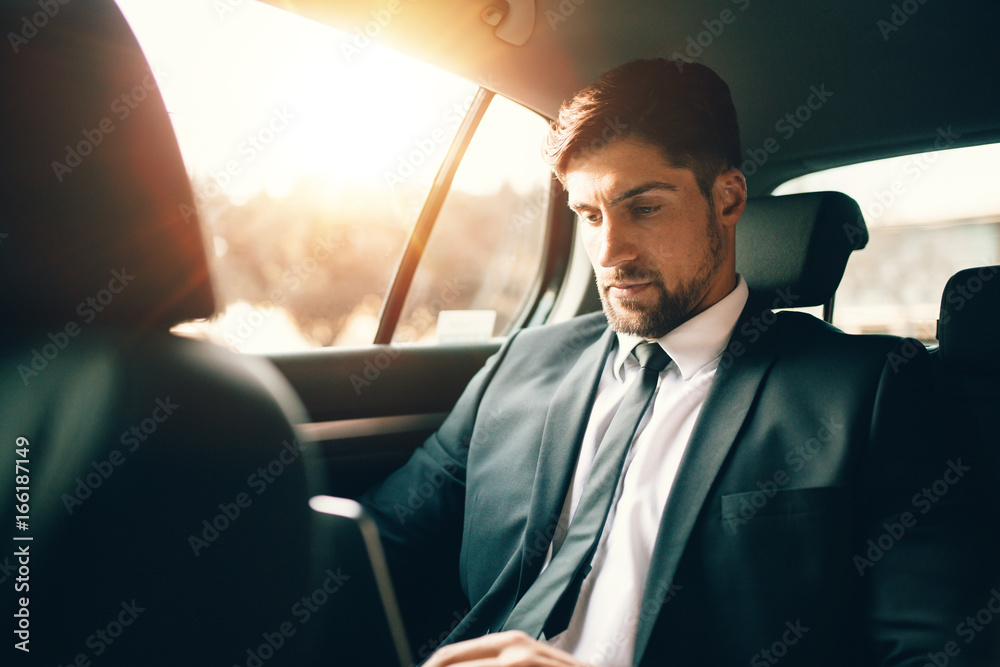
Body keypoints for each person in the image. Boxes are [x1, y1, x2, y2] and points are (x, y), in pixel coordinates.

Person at [360, 58, 980, 666]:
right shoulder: (525, 362)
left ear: (729, 198)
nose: (610, 252)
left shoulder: (870, 389)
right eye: (589, 214)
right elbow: (375, 543)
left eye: (645, 207)